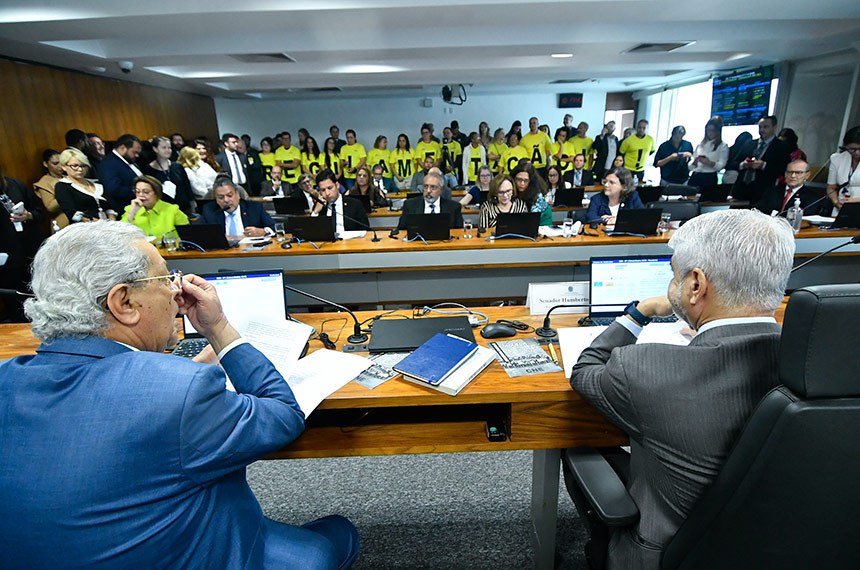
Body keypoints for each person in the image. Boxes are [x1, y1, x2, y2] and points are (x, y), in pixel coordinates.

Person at [0, 221, 360, 568]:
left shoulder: (6, 380)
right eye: (164, 278)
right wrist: (218, 328)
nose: (176, 290)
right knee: (339, 535)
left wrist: (174, 373)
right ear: (123, 302)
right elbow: (282, 414)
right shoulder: (178, 389)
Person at [569, 208, 794, 569]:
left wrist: (638, 312)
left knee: (577, 444)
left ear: (695, 285)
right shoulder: (816, 364)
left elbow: (585, 370)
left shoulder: (642, 369)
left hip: (665, 556)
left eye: (674, 275)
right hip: (788, 548)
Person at [0, 166, 45, 322]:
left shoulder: (15, 185)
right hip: (6, 259)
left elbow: (40, 211)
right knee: (16, 305)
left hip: (31, 250)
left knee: (41, 295)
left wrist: (29, 215)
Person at [732, 115, 792, 205]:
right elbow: (733, 163)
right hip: (741, 190)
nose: (762, 130)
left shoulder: (781, 146)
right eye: (760, 127)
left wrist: (764, 165)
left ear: (774, 127)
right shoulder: (749, 143)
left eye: (766, 127)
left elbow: (784, 169)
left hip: (763, 192)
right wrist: (743, 164)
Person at [55, 148, 117, 223]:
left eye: (83, 166)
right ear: (64, 167)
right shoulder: (62, 186)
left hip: (108, 226)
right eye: (75, 166)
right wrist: (100, 224)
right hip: (84, 229)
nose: (80, 169)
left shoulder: (97, 184)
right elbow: (73, 214)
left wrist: (112, 220)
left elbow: (109, 207)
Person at [197, 177, 274, 238]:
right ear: (216, 199)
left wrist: (263, 231)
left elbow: (274, 227)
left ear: (238, 194)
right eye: (221, 197)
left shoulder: (254, 208)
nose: (226, 200)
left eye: (230, 195)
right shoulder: (210, 211)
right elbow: (199, 233)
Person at [121, 175, 190, 239]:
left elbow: (187, 234)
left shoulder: (172, 210)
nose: (141, 195)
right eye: (137, 192)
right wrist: (132, 212)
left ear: (157, 193)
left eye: (146, 192)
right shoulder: (130, 209)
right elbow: (120, 234)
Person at [142, 136, 194, 215]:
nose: (167, 150)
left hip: (183, 207)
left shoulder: (177, 166)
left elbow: (187, 186)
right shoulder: (148, 170)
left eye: (169, 148)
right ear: (155, 149)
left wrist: (192, 202)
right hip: (163, 210)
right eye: (164, 147)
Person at [755, 159, 824, 215]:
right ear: (785, 174)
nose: (793, 176)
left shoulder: (812, 197)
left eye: (798, 173)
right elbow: (759, 209)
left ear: (807, 175)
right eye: (790, 172)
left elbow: (803, 216)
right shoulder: (772, 191)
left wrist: (773, 213)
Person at [397, 171, 463, 230]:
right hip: (417, 242)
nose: (428, 191)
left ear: (441, 190)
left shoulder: (454, 207)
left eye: (433, 187)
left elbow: (459, 233)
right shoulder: (410, 205)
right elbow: (401, 231)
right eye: (425, 187)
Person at [312, 169, 369, 234]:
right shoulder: (319, 207)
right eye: (323, 190)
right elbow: (311, 233)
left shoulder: (355, 204)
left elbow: (365, 230)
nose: (327, 193)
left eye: (330, 188)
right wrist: (315, 212)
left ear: (337, 185)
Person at [98, 133, 143, 213]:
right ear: (122, 148)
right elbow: (113, 189)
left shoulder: (130, 161)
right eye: (134, 152)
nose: (137, 155)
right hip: (124, 210)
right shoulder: (109, 163)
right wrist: (140, 191)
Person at [827, 125, 860, 215]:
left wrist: (854, 201)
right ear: (846, 146)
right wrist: (836, 202)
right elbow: (831, 187)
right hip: (840, 210)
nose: (857, 152)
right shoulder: (837, 159)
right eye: (852, 149)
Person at [32, 148, 69, 229]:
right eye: (55, 164)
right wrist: (66, 193)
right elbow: (50, 207)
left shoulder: (68, 177)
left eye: (61, 163)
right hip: (62, 222)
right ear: (45, 164)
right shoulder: (44, 182)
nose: (60, 167)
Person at [688, 117, 729, 187]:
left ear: (718, 131)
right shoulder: (700, 144)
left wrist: (709, 163)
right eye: (707, 130)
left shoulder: (722, 146)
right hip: (695, 175)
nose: (709, 133)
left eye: (712, 130)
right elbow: (690, 165)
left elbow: (721, 165)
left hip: (709, 177)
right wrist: (694, 162)